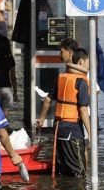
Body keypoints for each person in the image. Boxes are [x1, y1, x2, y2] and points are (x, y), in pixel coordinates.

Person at [36, 48, 91, 177]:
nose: (90, 65)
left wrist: (42, 119)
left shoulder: (62, 77)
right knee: (78, 171)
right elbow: (83, 110)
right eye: (88, 63)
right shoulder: (81, 81)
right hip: (73, 128)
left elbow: (48, 99)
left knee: (62, 169)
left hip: (58, 127)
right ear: (81, 62)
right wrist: (91, 133)